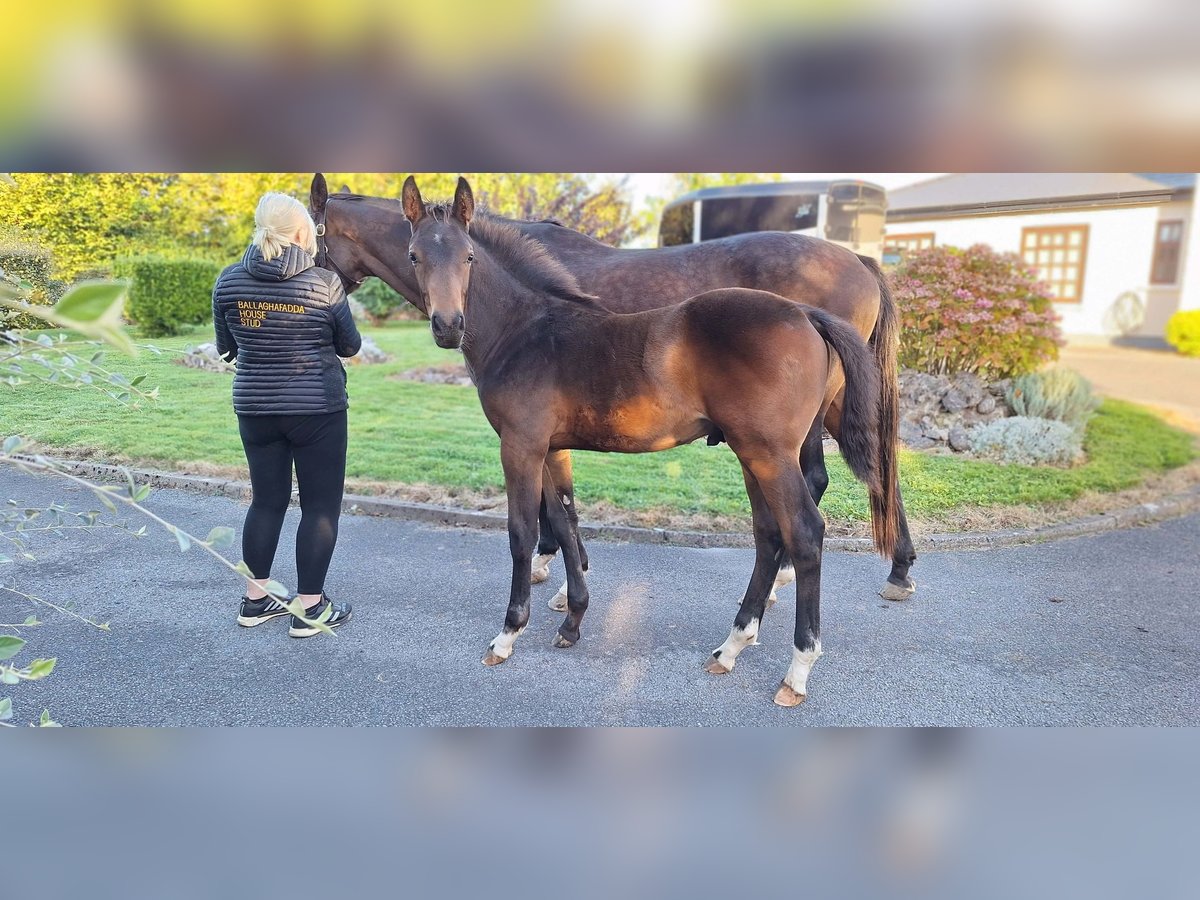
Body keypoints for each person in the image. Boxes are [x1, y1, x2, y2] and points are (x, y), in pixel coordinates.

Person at [211, 192, 362, 637]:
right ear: (301, 233)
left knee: (266, 501)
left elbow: (226, 349)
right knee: (319, 506)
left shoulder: (228, 281)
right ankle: (310, 609)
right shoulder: (323, 284)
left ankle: (255, 602)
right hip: (317, 408)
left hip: (256, 408)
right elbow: (349, 346)